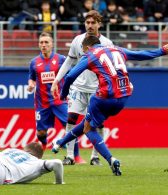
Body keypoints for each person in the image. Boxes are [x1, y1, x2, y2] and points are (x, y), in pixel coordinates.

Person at [52, 35, 168, 176]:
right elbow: (140, 54)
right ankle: (60, 143)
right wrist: (161, 51)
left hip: (103, 97)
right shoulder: (117, 49)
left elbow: (69, 76)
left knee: (88, 129)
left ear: (86, 47)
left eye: (83, 51)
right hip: (123, 98)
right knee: (88, 123)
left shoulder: (90, 54)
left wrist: (63, 95)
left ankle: (110, 159)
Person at [51, 10, 113, 166]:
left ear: (99, 24)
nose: (90, 25)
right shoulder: (77, 40)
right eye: (87, 22)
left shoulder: (107, 43)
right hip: (78, 87)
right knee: (71, 119)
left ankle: (95, 157)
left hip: (98, 89)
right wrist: (56, 80)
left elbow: (112, 67)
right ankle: (70, 156)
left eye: (93, 23)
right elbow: (69, 62)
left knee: (98, 123)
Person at [28, 32, 74, 154]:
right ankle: (43, 145)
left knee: (69, 127)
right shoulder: (34, 62)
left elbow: (71, 74)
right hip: (42, 102)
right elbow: (32, 77)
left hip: (59, 100)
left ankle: (76, 156)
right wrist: (31, 83)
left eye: (46, 42)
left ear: (52, 44)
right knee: (41, 132)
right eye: (41, 42)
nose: (43, 45)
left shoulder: (61, 59)